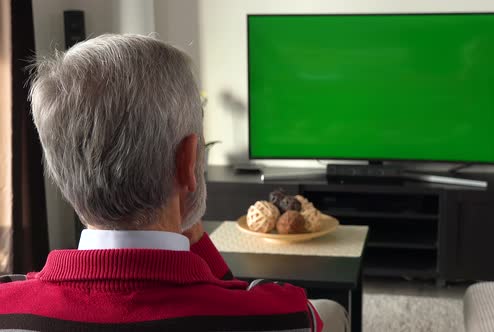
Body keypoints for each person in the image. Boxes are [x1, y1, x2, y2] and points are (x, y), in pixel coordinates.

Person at [0, 34, 349, 332]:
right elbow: (317, 313)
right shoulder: (281, 316)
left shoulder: (8, 307)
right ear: (188, 160)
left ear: (61, 169)